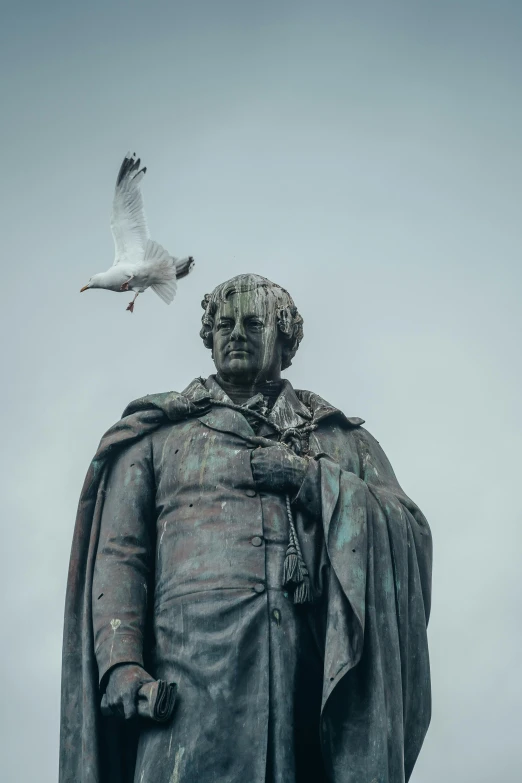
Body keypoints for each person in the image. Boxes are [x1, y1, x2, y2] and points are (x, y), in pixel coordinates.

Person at [60, 274, 432, 783]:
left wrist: (310, 479)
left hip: (309, 690)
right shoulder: (157, 436)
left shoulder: (343, 440)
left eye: (253, 322)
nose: (234, 333)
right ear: (208, 335)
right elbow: (121, 556)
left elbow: (409, 534)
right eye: (223, 323)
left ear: (285, 338)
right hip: (188, 692)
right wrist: (121, 663)